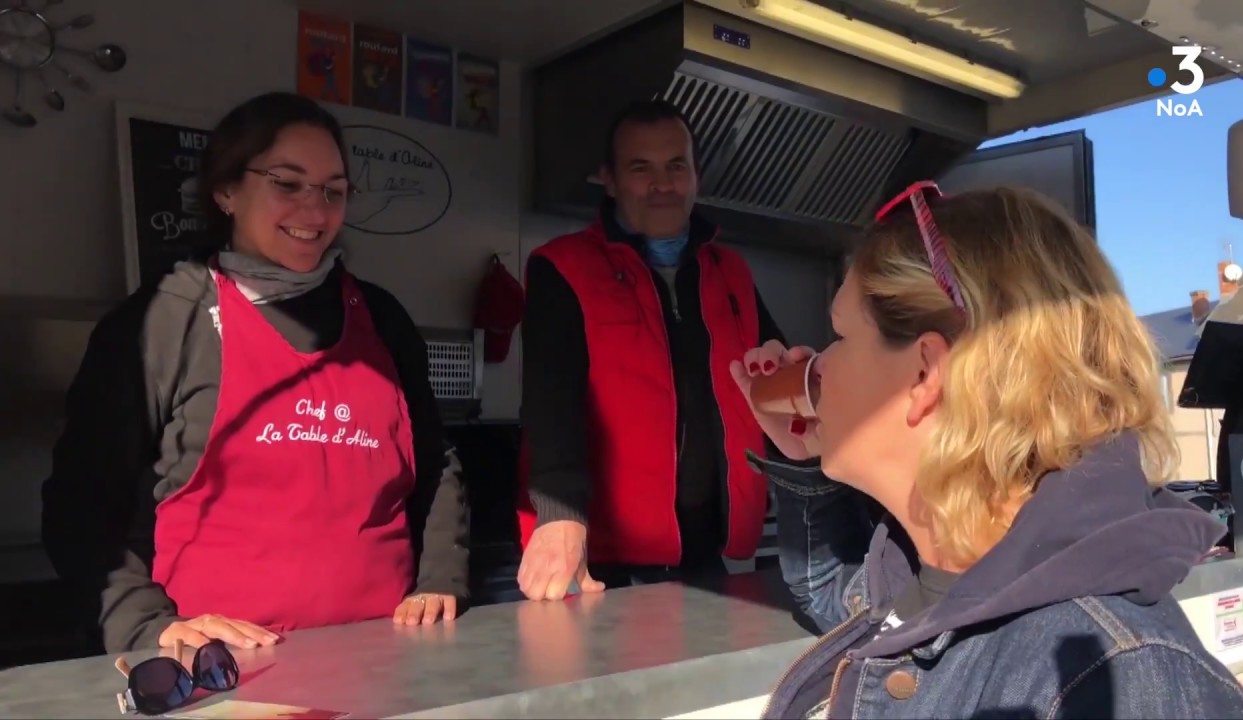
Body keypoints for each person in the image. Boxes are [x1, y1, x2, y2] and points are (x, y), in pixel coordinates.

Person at [735, 183, 1243, 718]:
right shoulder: (933, 572)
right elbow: (837, 597)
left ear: (924, 374)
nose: (819, 366)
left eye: (839, 336)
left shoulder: (1120, 683)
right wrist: (802, 458)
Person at [42, 92, 469, 654]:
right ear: (226, 191)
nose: (315, 211)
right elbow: (80, 499)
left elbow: (433, 459)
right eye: (287, 183)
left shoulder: (382, 317)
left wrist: (441, 578)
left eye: (333, 190)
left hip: (385, 660)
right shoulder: (168, 318)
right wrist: (145, 623)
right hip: (223, 677)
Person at [516, 99, 785, 600]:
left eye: (675, 166)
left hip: (712, 555)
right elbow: (551, 404)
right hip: (604, 565)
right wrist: (559, 516)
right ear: (610, 180)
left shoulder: (731, 273)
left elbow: (777, 386)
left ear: (695, 176)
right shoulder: (563, 267)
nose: (662, 185)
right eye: (641, 169)